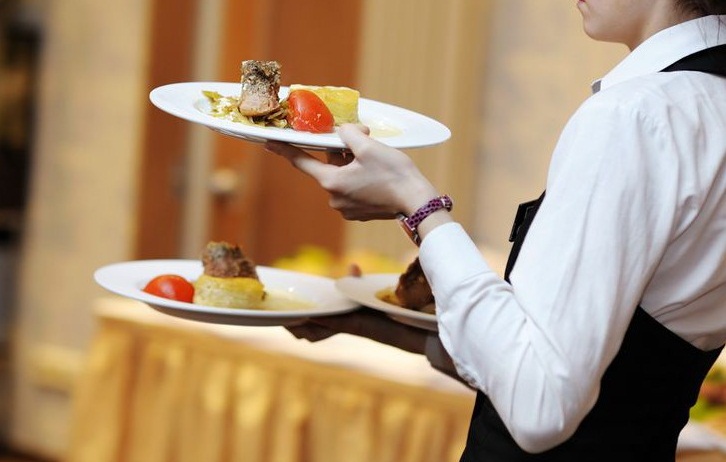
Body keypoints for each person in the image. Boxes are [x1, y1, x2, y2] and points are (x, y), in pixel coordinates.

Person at [265, 1, 726, 460]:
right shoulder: (705, 105)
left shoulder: (636, 114)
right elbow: (616, 376)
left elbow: (541, 405)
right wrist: (372, 324)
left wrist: (418, 204)